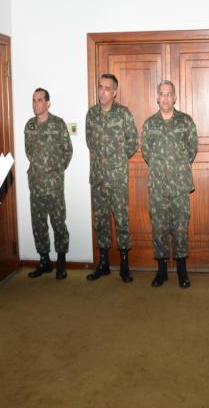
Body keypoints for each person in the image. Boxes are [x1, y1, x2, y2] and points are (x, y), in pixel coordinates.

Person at [141, 80, 198, 288]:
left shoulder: (186, 122)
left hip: (180, 186)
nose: (165, 97)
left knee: (181, 228)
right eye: (162, 94)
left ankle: (182, 271)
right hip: (157, 186)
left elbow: (192, 149)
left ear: (175, 97)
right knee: (159, 229)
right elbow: (146, 152)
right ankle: (162, 271)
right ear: (157, 98)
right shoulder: (149, 124)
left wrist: (177, 168)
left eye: (169, 93)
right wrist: (161, 169)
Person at [86, 73, 138, 283]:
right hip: (98, 176)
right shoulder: (91, 114)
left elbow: (132, 142)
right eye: (101, 87)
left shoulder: (124, 114)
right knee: (100, 221)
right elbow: (90, 141)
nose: (103, 91)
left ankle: (124, 265)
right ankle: (104, 264)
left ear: (115, 92)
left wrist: (116, 160)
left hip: (117, 178)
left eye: (107, 88)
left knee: (122, 220)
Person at [25, 88, 73, 280]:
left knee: (59, 223)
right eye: (34, 100)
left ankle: (61, 262)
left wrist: (56, 169)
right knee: (38, 225)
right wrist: (39, 168)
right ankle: (44, 261)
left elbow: (68, 150)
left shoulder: (58, 124)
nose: (36, 104)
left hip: (54, 186)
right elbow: (29, 151)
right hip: (35, 184)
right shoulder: (29, 126)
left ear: (48, 103)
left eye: (39, 100)